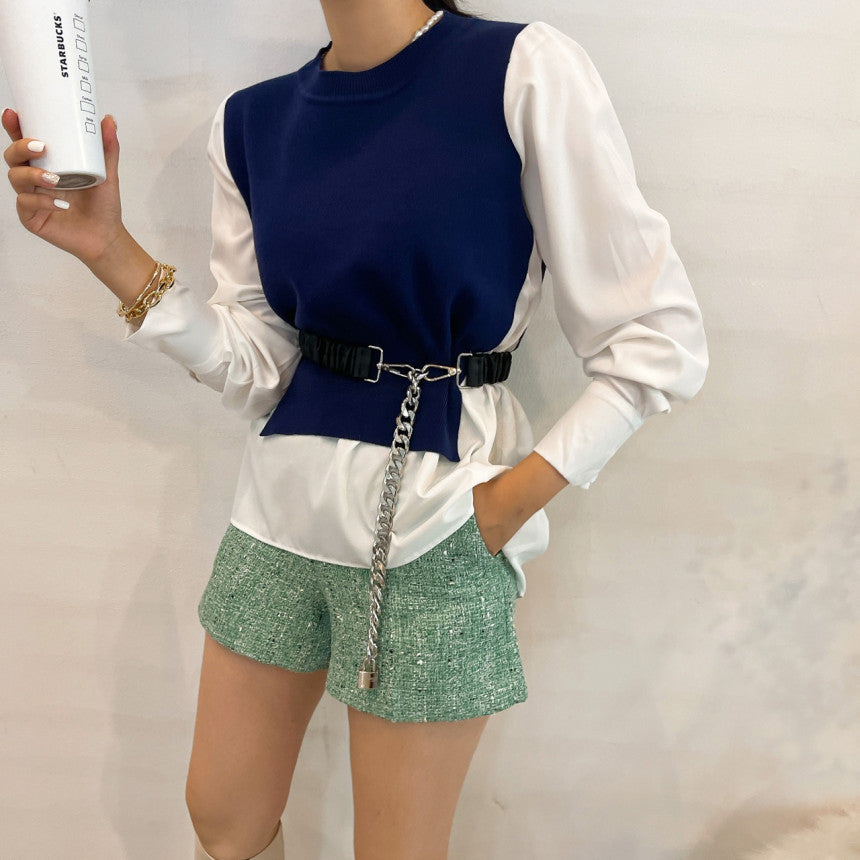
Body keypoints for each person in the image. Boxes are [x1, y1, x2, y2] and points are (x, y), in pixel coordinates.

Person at [2, 0, 709, 857]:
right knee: (221, 813)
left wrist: (501, 509)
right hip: (275, 515)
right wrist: (109, 248)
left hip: (438, 523)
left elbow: (656, 338)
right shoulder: (253, 122)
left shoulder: (520, 71)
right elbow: (262, 364)